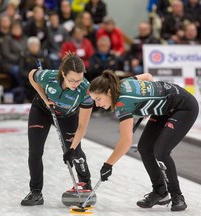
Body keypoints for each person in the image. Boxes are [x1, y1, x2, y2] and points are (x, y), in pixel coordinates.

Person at [88, 70, 199, 212]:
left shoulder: (123, 103)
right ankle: (160, 192)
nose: (97, 105)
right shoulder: (119, 84)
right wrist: (148, 100)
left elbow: (126, 141)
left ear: (109, 92)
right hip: (165, 108)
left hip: (184, 106)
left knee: (161, 151)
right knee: (145, 148)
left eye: (98, 99)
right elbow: (147, 76)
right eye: (94, 100)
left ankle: (177, 196)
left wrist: (108, 164)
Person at [21, 52, 94, 206]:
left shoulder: (86, 90)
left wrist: (71, 149)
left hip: (67, 117)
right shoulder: (49, 76)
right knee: (35, 151)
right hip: (42, 110)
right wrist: (43, 97)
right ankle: (35, 192)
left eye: (79, 79)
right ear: (63, 74)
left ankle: (85, 184)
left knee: (76, 153)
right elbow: (31, 75)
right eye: (72, 80)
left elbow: (82, 126)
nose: (76, 84)